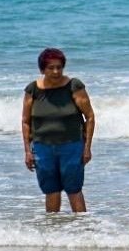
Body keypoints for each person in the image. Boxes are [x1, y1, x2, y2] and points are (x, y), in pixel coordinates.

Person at [21, 47, 95, 214]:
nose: (56, 71)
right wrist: (27, 151)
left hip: (72, 146)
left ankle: (83, 227)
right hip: (42, 148)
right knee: (51, 190)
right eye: (51, 68)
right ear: (42, 69)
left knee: (74, 189)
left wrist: (87, 148)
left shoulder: (74, 86)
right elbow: (25, 122)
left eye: (59, 67)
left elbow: (90, 117)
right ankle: (53, 228)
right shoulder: (32, 90)